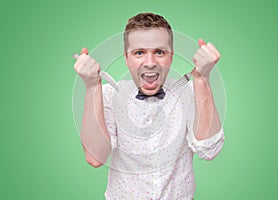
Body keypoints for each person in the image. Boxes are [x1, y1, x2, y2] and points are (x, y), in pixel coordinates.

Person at [74, 12, 225, 200]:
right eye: (139, 53)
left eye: (159, 52)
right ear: (126, 58)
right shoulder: (109, 95)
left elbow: (209, 150)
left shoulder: (189, 91)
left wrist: (202, 79)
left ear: (171, 56)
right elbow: (95, 158)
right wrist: (91, 87)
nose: (150, 63)